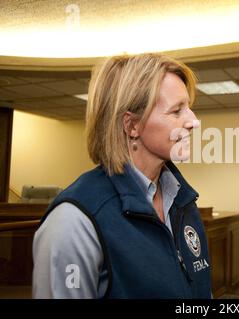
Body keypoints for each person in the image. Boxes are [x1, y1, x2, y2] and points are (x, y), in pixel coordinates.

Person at [32, 53, 212, 298]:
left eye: (189, 107)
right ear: (132, 126)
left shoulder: (182, 199)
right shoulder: (74, 222)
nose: (193, 121)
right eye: (177, 111)